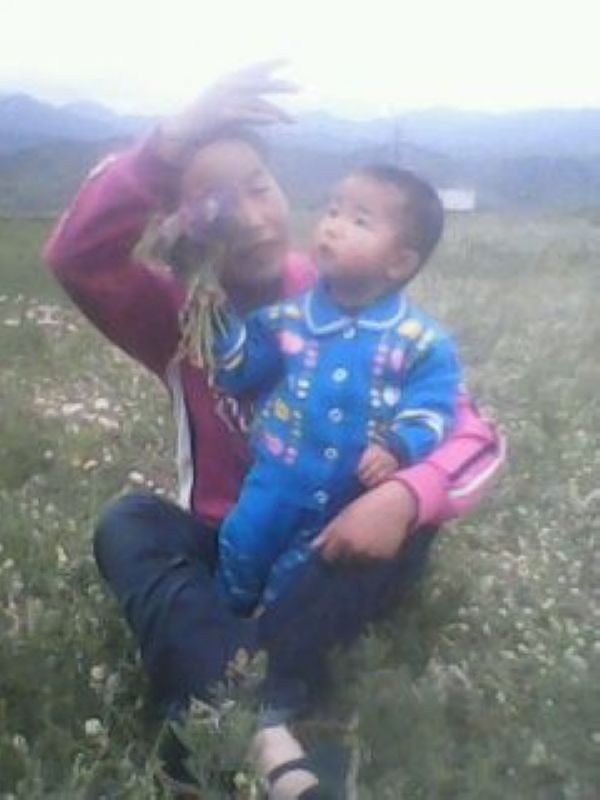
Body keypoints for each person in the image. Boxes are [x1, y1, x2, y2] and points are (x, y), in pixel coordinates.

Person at [44, 63, 505, 797]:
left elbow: (472, 435)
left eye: (259, 187)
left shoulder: (352, 296)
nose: (252, 218)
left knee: (414, 525)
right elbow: (75, 256)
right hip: (228, 541)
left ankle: (214, 702)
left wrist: (404, 496)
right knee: (129, 524)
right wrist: (167, 144)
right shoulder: (179, 316)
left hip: (331, 545)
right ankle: (270, 721)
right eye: (217, 204)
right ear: (183, 224)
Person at [211, 164, 462, 615]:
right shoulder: (283, 321)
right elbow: (239, 373)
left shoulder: (422, 343)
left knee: (302, 583)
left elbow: (434, 408)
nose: (332, 226)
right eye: (332, 210)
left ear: (399, 262)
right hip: (274, 486)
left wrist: (398, 445)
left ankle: (270, 635)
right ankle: (223, 620)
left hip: (349, 505)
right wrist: (216, 318)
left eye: (359, 220)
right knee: (242, 547)